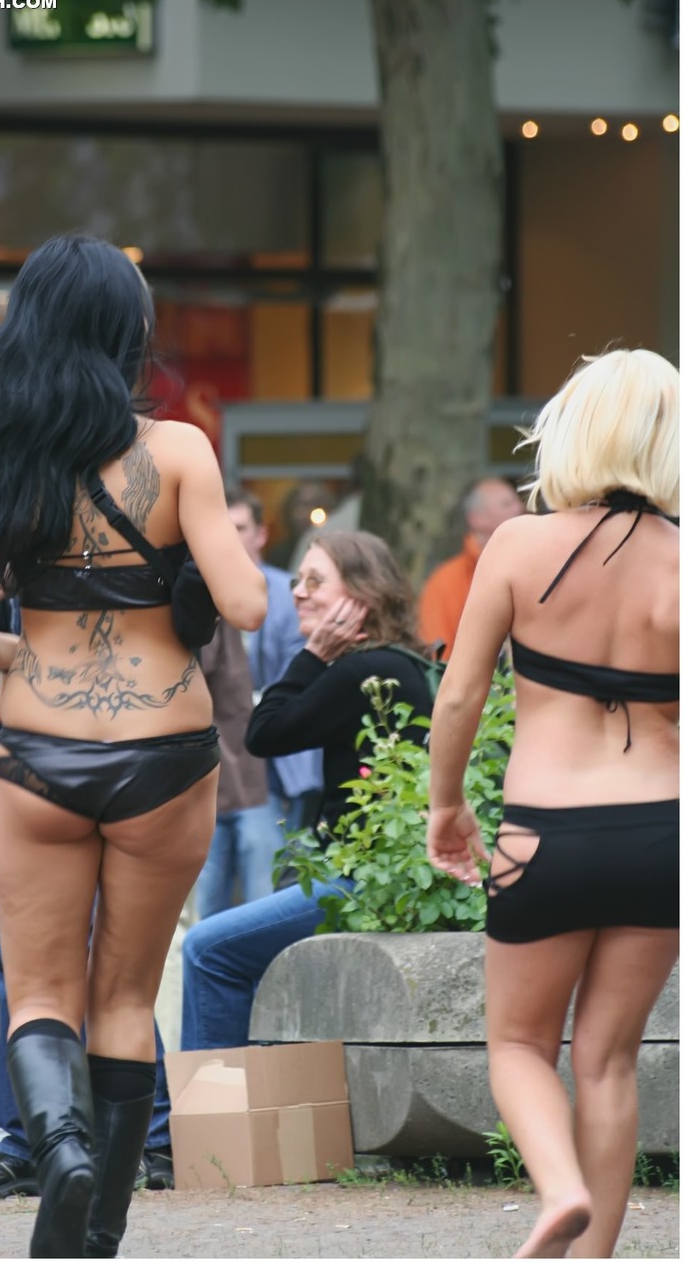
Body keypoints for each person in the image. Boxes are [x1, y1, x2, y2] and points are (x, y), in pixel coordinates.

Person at [0, 233, 266, 1258]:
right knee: (125, 996)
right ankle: (100, 1231)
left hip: (38, 752)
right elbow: (249, 604)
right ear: (130, 331)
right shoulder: (180, 451)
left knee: (40, 995)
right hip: (165, 752)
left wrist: (28, 646)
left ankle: (60, 1151)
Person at [425, 348, 678, 1259]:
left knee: (520, 1047)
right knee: (608, 1062)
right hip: (662, 835)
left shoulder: (517, 546)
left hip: (545, 833)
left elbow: (461, 696)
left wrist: (445, 805)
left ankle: (558, 1189)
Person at [143, 530, 433, 1159]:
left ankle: (199, 1141)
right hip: (372, 873)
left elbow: (265, 732)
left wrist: (311, 655)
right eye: (298, 579)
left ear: (361, 596)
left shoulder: (363, 669)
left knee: (209, 948)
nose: (298, 591)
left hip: (360, 880)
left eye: (315, 581)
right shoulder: (399, 663)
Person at [226, 487, 323, 836]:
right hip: (209, 762)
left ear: (261, 534)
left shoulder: (290, 595)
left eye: (239, 528)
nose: (230, 538)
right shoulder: (192, 591)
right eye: (223, 529)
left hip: (271, 766)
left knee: (264, 858)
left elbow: (295, 679)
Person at [195, 620, 277, 918]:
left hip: (227, 757)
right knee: (234, 878)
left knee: (247, 880)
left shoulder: (214, 607)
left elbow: (197, 664)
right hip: (227, 759)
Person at [417, 477, 525, 659]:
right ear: (477, 519)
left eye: (517, 501)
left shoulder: (536, 566)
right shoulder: (445, 581)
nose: (519, 509)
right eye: (506, 504)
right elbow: (439, 656)